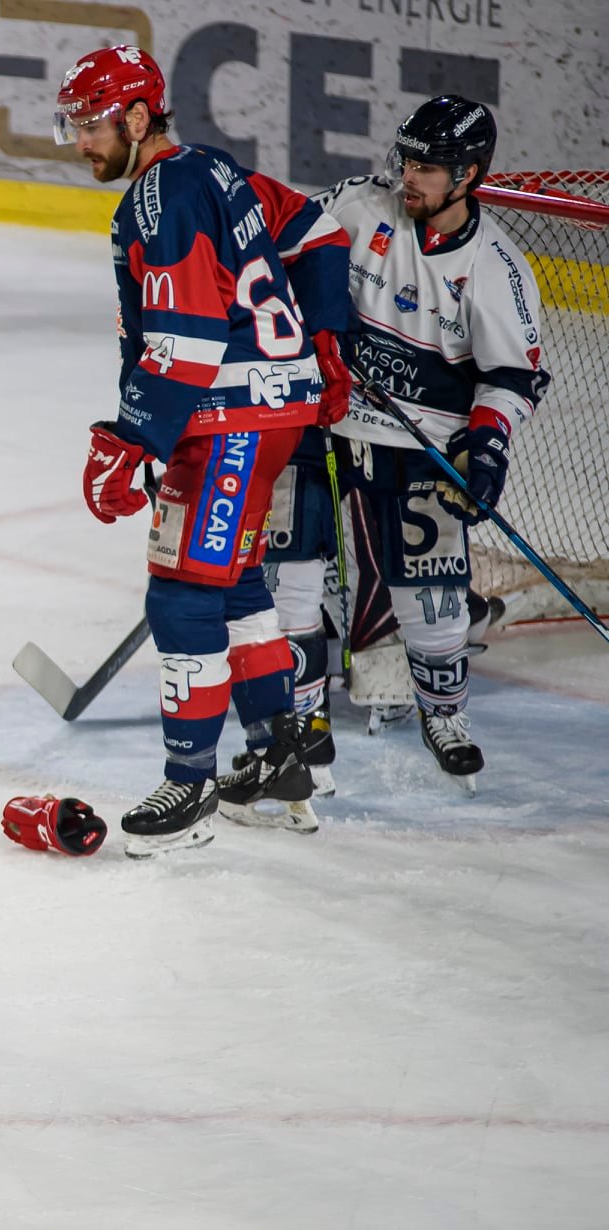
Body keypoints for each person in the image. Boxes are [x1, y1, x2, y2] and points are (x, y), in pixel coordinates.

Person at [53, 45, 351, 856]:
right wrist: (325, 336)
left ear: (139, 116)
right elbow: (321, 230)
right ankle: (277, 758)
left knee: (181, 593)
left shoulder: (159, 196)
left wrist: (127, 439)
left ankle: (189, 786)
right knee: (232, 585)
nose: (82, 142)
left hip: (228, 417)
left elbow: (185, 341)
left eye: (91, 125)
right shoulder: (217, 172)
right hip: (271, 410)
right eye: (74, 125)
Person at [271, 95, 549, 789]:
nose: (411, 177)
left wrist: (486, 451)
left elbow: (513, 376)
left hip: (421, 439)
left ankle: (444, 711)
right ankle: (298, 718)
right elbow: (283, 253)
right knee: (291, 578)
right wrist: (317, 333)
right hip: (322, 421)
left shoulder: (496, 268)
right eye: (409, 160)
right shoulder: (360, 207)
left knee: (432, 601)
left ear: (469, 175)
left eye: (430, 167)